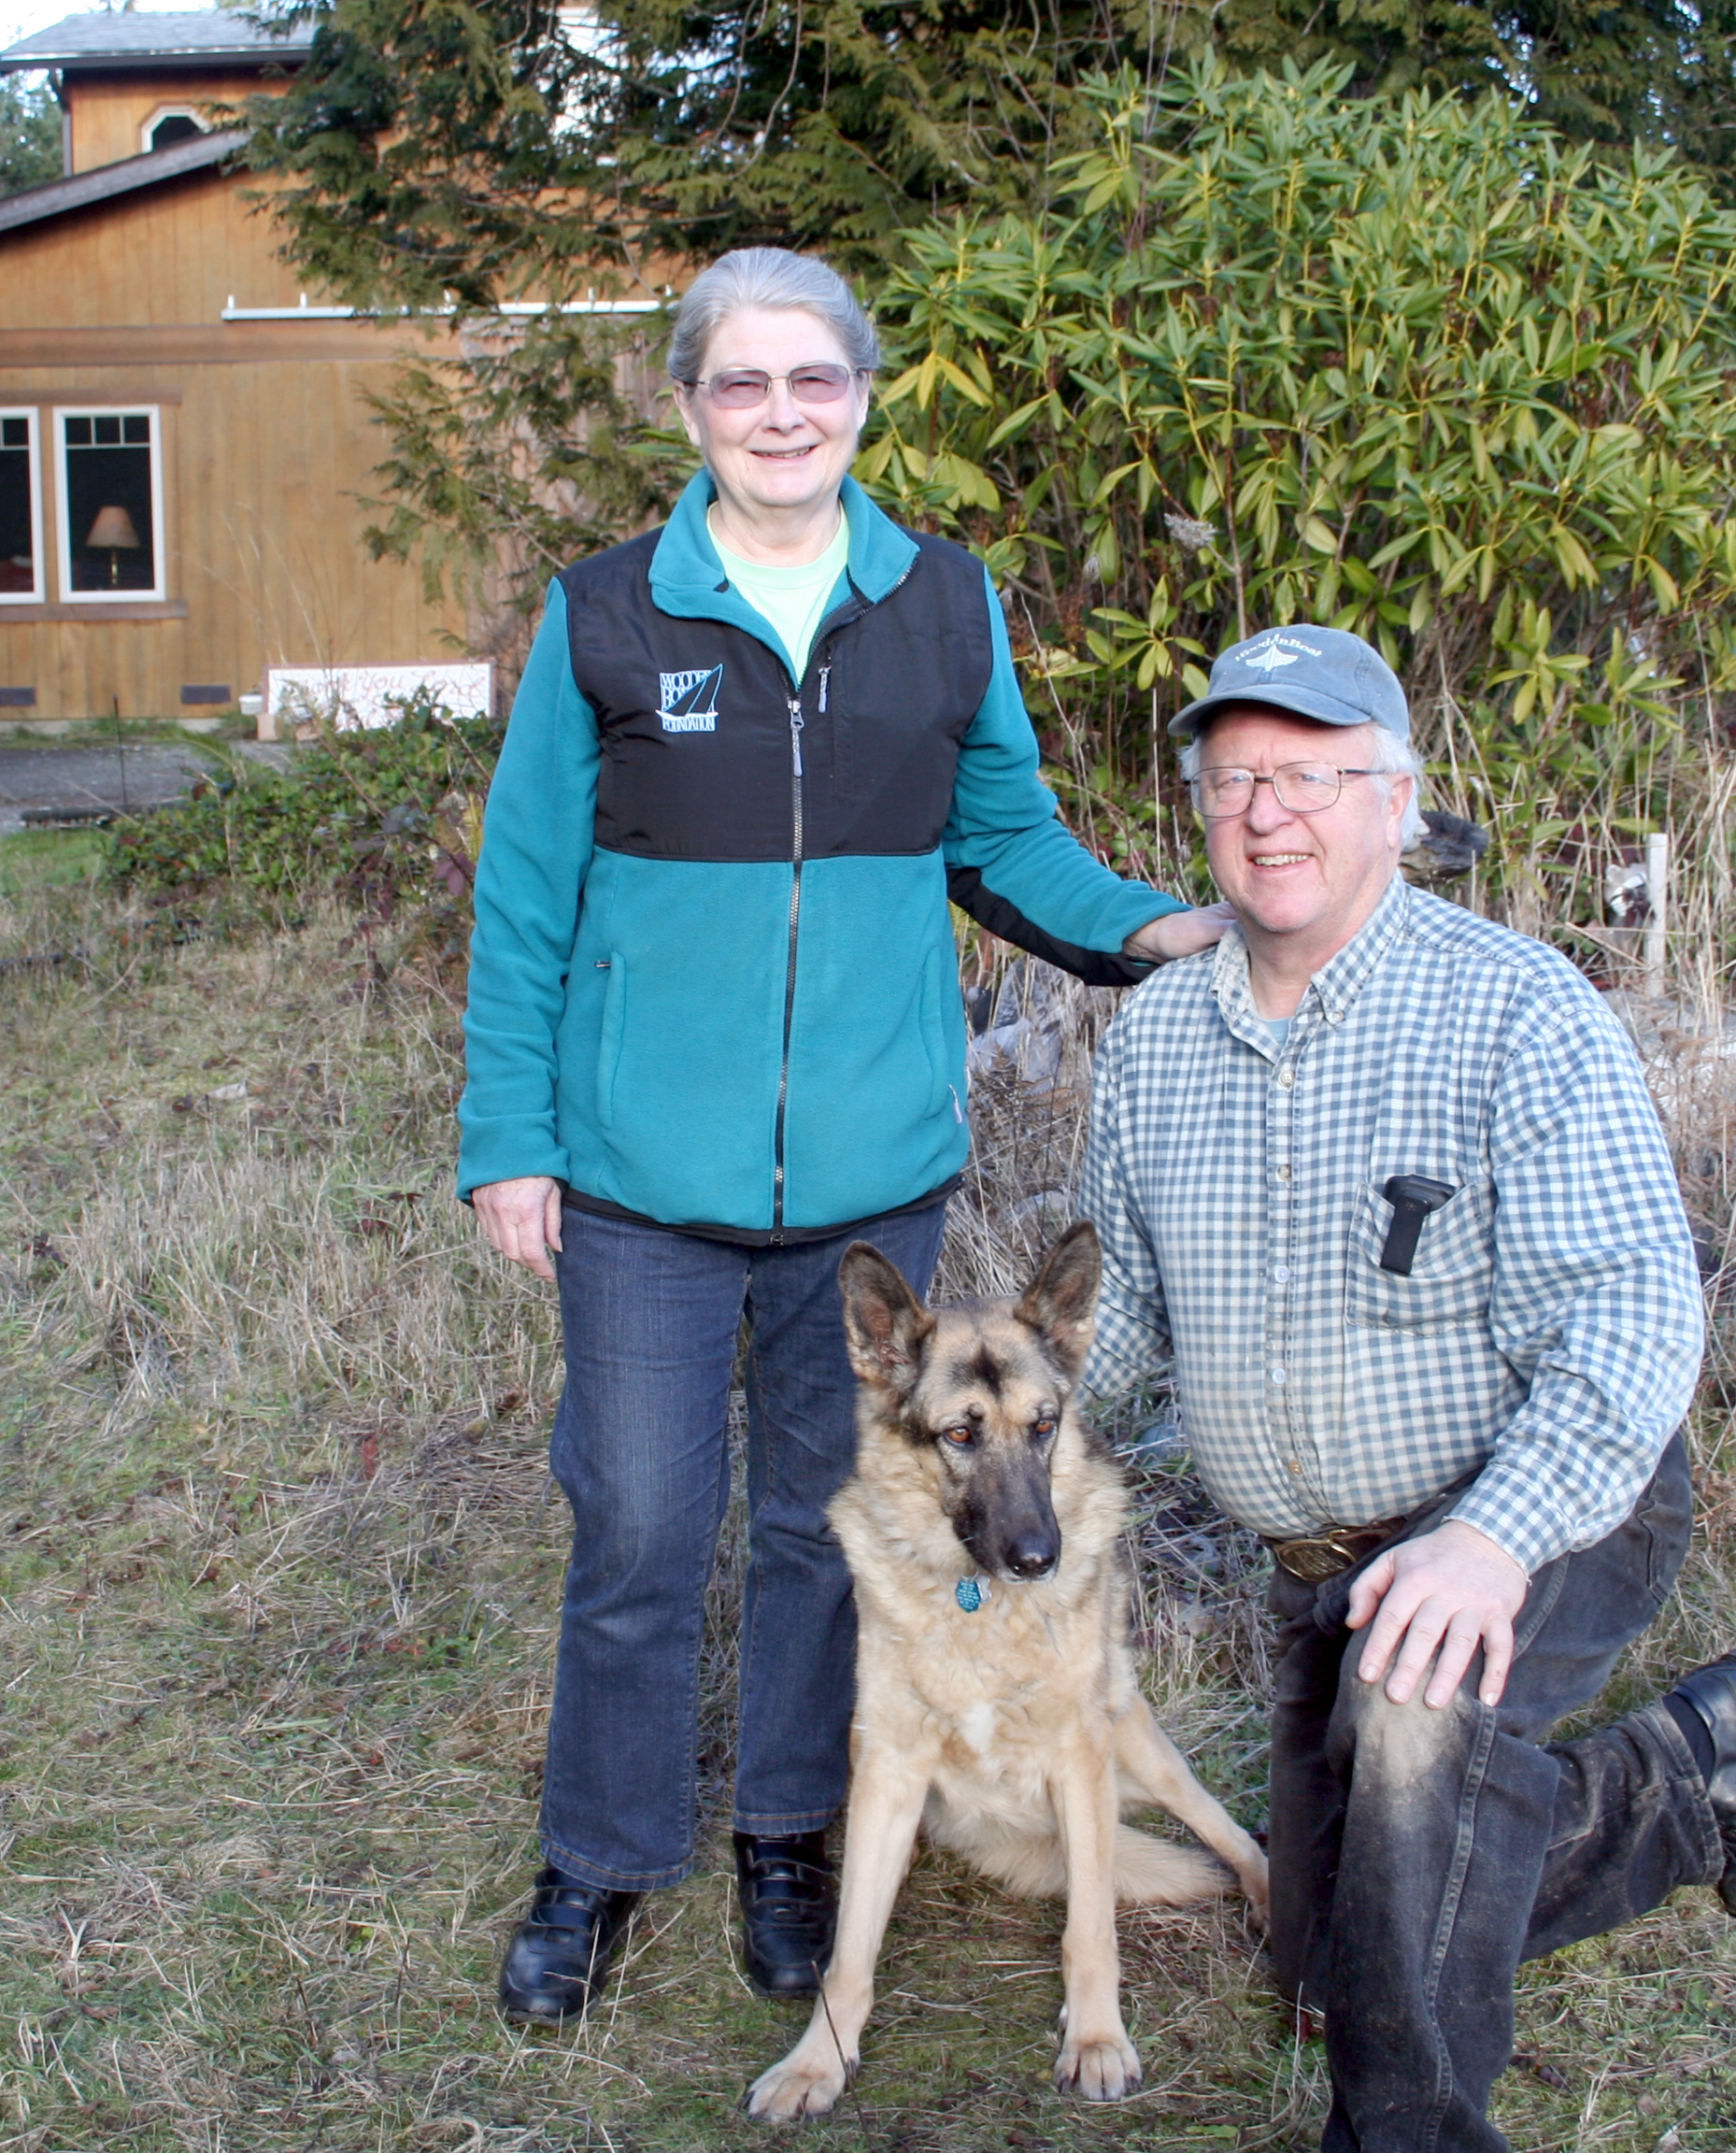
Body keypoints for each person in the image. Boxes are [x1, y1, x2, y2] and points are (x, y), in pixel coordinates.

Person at [456, 246, 1226, 2026]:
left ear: (862, 399)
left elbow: (1007, 841)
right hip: (640, 1176)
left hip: (873, 1188)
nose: (780, 413)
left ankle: (789, 1841)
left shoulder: (943, 607)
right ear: (691, 405)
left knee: (827, 1527)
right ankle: (598, 1865)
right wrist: (514, 1138)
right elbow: (524, 902)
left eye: (813, 381)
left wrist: (1149, 928)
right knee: (640, 1524)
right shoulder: (607, 619)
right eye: (742, 383)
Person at [1075, 623, 1736, 2151]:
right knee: (1324, 1957)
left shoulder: (1516, 1009)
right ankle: (1690, 1773)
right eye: (1233, 781)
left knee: (1416, 1728)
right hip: (1320, 1565)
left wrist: (1491, 1540)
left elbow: (1630, 1316)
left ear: (1399, 800)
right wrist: (997, 1449)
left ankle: (1405, 2130)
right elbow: (1121, 1327)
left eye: (1307, 775)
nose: (1267, 812)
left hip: (1539, 1503)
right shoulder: (1154, 1043)